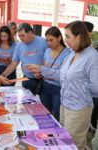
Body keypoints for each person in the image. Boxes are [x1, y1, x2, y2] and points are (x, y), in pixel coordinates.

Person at [25, 21, 98, 150]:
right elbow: (61, 75)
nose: (66, 40)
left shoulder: (92, 56)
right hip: (65, 105)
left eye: (68, 36)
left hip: (79, 108)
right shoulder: (73, 53)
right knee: (64, 140)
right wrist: (41, 69)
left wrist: (78, 88)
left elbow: (95, 88)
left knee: (73, 144)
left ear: (79, 36)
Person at [0, 23, 48, 94]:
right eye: (19, 36)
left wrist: (42, 71)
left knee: (43, 104)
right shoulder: (19, 46)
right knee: (28, 104)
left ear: (30, 33)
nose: (21, 38)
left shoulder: (43, 42)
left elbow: (50, 59)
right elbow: (14, 64)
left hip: (43, 80)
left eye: (23, 35)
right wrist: (3, 75)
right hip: (27, 80)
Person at [37, 26, 70, 121]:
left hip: (58, 89)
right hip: (45, 86)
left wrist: (46, 73)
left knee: (57, 115)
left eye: (51, 40)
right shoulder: (47, 51)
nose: (48, 43)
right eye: (47, 40)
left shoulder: (67, 54)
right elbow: (43, 67)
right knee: (45, 113)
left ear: (59, 38)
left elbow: (64, 75)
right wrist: (39, 74)